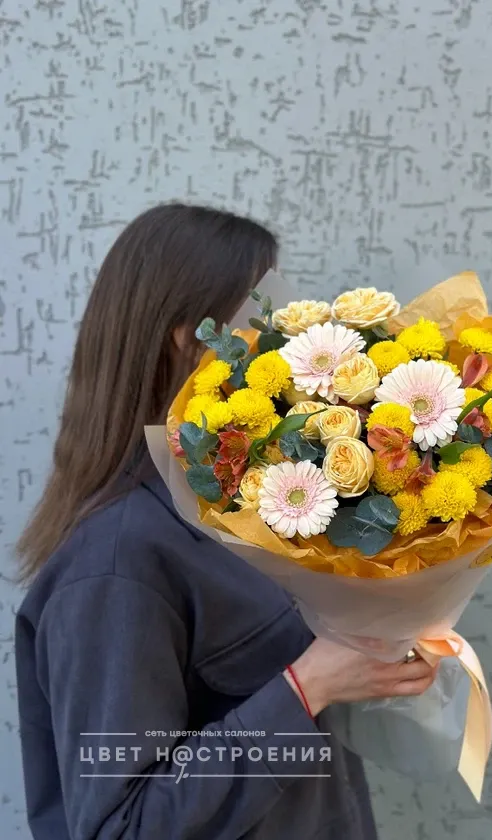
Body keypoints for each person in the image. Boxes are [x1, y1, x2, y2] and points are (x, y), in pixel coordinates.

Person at [14, 203, 437, 840]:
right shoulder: (115, 565)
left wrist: (375, 652)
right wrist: (305, 688)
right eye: (262, 316)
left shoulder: (234, 513)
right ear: (188, 336)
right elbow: (121, 827)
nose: (284, 344)